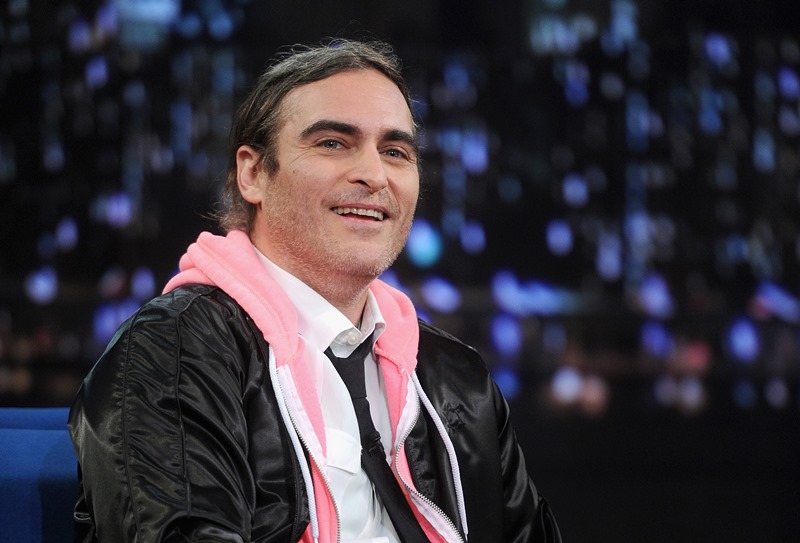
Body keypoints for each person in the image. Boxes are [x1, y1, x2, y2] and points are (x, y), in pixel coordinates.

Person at [68, 38, 561, 543]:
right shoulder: (171, 352)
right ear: (253, 174)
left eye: (395, 152)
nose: (373, 175)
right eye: (332, 143)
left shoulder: (457, 379)